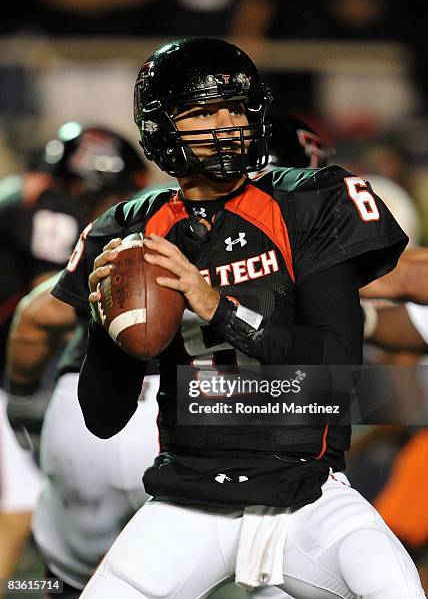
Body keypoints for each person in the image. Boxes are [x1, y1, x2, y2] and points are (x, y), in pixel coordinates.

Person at [52, 38, 423, 598]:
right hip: (187, 496)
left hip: (310, 493)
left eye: (235, 106)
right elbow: (103, 417)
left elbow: (338, 374)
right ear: (161, 126)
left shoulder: (310, 200)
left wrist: (216, 305)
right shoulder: (129, 228)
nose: (227, 124)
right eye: (204, 111)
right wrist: (112, 328)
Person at [0, 123, 149, 589]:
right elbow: (43, 304)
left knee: (58, 560)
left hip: (58, 387)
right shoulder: (51, 205)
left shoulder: (27, 197)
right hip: (178, 404)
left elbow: (38, 315)